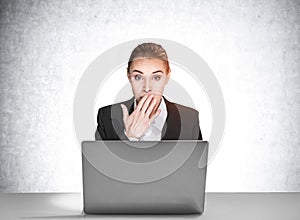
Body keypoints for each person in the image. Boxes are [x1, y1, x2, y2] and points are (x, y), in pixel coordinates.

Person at [95, 43, 202, 141]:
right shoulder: (107, 117)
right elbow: (101, 162)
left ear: (167, 76)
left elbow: (196, 162)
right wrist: (130, 137)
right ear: (129, 77)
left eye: (156, 77)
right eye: (138, 77)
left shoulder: (189, 119)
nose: (146, 88)